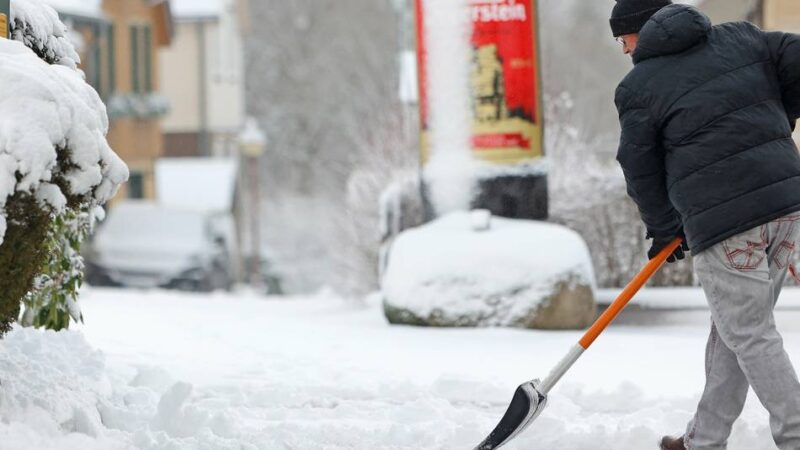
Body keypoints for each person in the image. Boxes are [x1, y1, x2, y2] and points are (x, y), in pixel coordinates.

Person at [609, 1, 800, 449]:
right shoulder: (741, 38)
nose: (624, 50)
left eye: (623, 39)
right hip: (788, 208)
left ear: (643, 29)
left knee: (749, 333)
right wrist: (776, 122)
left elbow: (639, 168)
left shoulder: (639, 86)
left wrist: (662, 226)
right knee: (738, 329)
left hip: (726, 222)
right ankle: (705, 439)